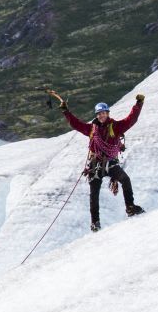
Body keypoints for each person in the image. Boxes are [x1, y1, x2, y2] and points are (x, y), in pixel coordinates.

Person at [52, 90, 146, 230]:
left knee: (125, 180)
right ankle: (95, 222)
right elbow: (76, 124)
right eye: (100, 114)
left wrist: (138, 104)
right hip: (96, 165)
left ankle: (130, 207)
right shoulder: (91, 129)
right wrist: (66, 112)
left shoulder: (115, 126)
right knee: (94, 194)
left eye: (104, 113)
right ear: (97, 115)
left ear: (108, 114)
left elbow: (131, 120)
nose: (102, 115)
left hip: (107, 163)